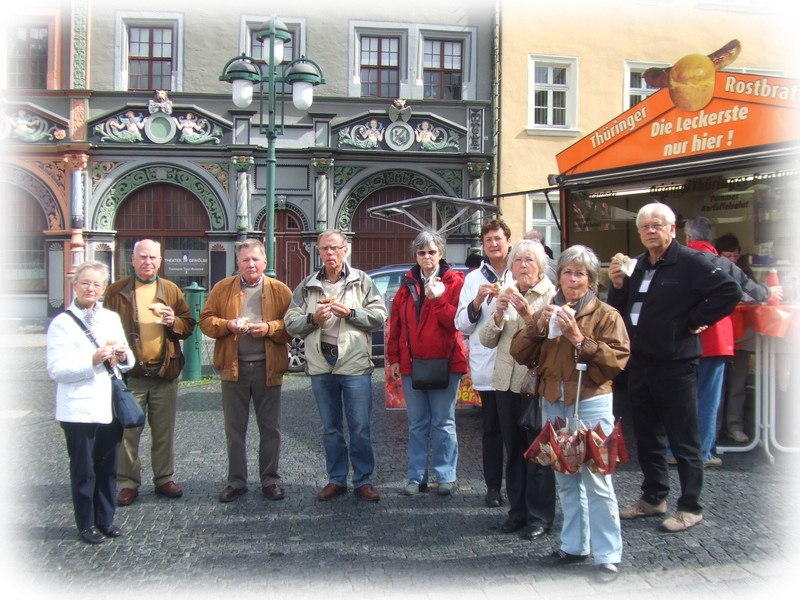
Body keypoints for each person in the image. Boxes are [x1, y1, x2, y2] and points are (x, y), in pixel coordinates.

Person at [607, 202, 741, 533]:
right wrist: (618, 286)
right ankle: (654, 498)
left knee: (684, 439)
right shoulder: (637, 265)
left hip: (676, 364)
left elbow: (729, 291)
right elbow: (619, 310)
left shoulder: (691, 261)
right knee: (647, 436)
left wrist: (694, 320)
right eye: (645, 227)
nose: (650, 231)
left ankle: (691, 506)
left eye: (657, 225)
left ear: (672, 228)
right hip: (640, 362)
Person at [510, 245, 630, 584]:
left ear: (591, 280)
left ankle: (608, 556)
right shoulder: (548, 310)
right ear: (558, 277)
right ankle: (574, 546)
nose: (572, 280)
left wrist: (579, 338)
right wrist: (536, 326)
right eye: (567, 273)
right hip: (554, 401)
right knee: (565, 477)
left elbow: (617, 362)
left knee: (598, 479)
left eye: (579, 274)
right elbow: (519, 353)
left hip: (590, 401)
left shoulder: (606, 315)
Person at [285, 230, 388, 502]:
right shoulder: (308, 284)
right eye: (325, 249)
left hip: (354, 363)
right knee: (330, 428)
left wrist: (351, 313)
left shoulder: (362, 281)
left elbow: (379, 316)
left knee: (360, 427)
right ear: (318, 252)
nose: (330, 253)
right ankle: (337, 479)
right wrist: (313, 319)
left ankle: (363, 480)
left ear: (345, 250)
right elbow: (290, 323)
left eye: (334, 248)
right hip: (321, 364)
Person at [46, 261, 135, 544]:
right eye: (85, 283)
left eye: (97, 284)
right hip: (78, 409)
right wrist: (92, 361)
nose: (91, 289)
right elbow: (56, 370)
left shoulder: (110, 317)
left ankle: (105, 519)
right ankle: (85, 524)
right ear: (74, 285)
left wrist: (122, 355)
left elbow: (129, 360)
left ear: (104, 288)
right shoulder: (62, 323)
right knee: (84, 470)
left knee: (108, 468)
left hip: (109, 406)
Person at [199, 239, 293, 503]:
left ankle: (270, 480)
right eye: (245, 260)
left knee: (271, 428)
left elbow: (292, 326)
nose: (250, 264)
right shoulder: (222, 288)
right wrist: (228, 325)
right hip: (233, 368)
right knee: (235, 429)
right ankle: (236, 481)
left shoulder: (280, 290)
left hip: (268, 368)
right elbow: (205, 321)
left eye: (255, 259)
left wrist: (269, 328)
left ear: (265, 262)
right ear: (237, 263)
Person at [103, 239, 195, 506]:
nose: (148, 262)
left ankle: (164, 478)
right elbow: (103, 326)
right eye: (142, 257)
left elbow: (188, 325)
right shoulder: (117, 291)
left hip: (164, 372)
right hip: (130, 374)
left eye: (153, 257)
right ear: (132, 260)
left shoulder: (170, 289)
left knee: (163, 431)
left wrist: (173, 321)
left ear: (160, 261)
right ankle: (128, 483)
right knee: (127, 432)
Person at [680, 218, 780, 467]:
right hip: (714, 338)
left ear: (687, 237)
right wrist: (770, 292)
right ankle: (702, 452)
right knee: (707, 399)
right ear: (710, 238)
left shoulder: (676, 261)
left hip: (680, 339)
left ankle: (675, 449)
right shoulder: (720, 263)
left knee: (681, 398)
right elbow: (753, 291)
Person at [479, 239, 556, 540]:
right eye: (518, 260)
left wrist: (527, 315)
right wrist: (498, 314)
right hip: (504, 382)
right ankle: (517, 511)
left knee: (537, 452)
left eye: (529, 260)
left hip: (533, 385)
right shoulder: (507, 292)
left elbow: (551, 342)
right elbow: (486, 340)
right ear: (511, 266)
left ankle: (540, 517)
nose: (523, 265)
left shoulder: (550, 294)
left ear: (541, 266)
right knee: (513, 450)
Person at [388, 230, 467, 496]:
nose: (427, 257)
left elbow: (455, 322)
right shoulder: (407, 284)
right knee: (417, 423)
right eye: (421, 252)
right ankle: (416, 477)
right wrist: (394, 358)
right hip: (412, 364)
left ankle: (445, 476)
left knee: (444, 422)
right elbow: (396, 324)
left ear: (441, 254)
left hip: (446, 362)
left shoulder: (455, 283)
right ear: (416, 256)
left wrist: (437, 300)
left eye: (432, 252)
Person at [455, 219, 512, 507]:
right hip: (488, 365)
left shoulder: (520, 271)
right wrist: (477, 302)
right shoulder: (473, 279)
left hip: (516, 365)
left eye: (498, 238)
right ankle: (492, 488)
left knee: (516, 431)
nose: (493, 244)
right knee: (491, 430)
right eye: (488, 240)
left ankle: (518, 487)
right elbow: (461, 324)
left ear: (508, 241)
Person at [784, 241, 800, 445]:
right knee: (797, 384)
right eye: (793, 260)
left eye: (799, 260)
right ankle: (797, 429)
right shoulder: (788, 277)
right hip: (795, 338)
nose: (796, 264)